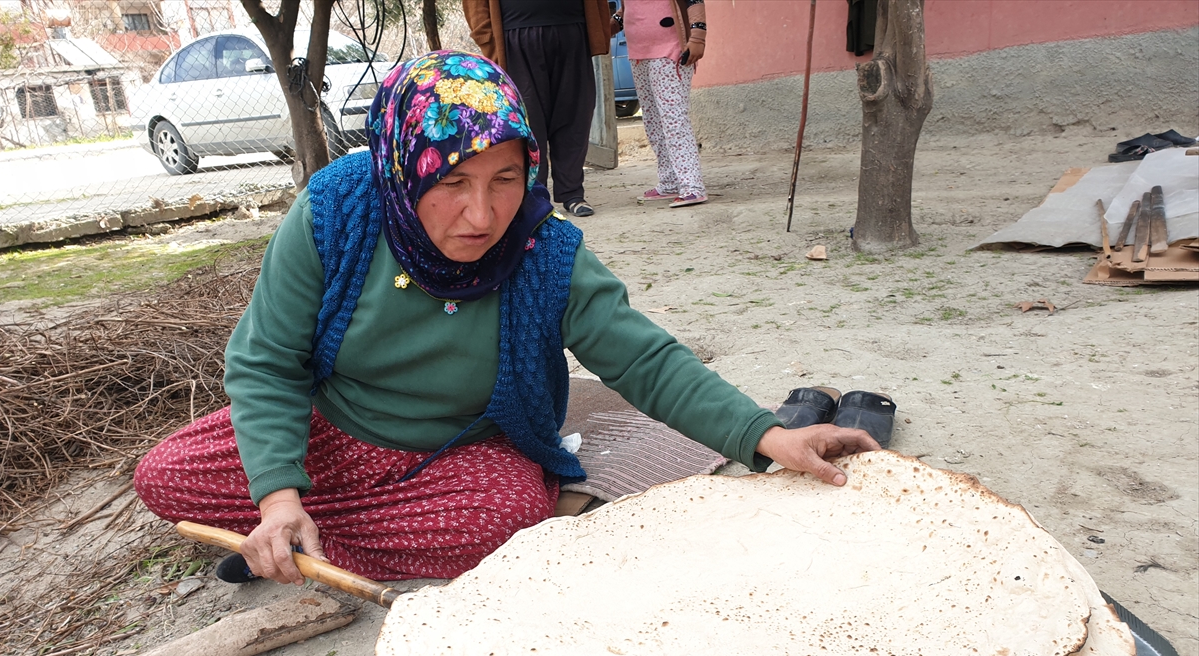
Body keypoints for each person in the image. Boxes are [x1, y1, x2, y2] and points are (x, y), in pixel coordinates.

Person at [134, 51, 878, 587]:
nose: (483, 213)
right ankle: (297, 524)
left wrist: (767, 436)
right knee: (163, 477)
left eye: (505, 180)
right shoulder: (338, 211)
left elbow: (642, 359)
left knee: (511, 521)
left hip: (455, 454)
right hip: (327, 432)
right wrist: (279, 492)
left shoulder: (542, 249)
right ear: (402, 169)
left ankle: (302, 544)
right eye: (452, 182)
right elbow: (265, 362)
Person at [462, 0, 613, 217]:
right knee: (528, 120)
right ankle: (534, 196)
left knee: (574, 114)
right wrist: (488, 39)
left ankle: (572, 194)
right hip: (515, 37)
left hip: (572, 32)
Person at [618, 0, 707, 207]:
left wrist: (698, 36)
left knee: (673, 119)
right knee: (653, 121)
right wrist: (614, 22)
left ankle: (692, 186)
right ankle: (669, 182)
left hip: (671, 50)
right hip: (639, 53)